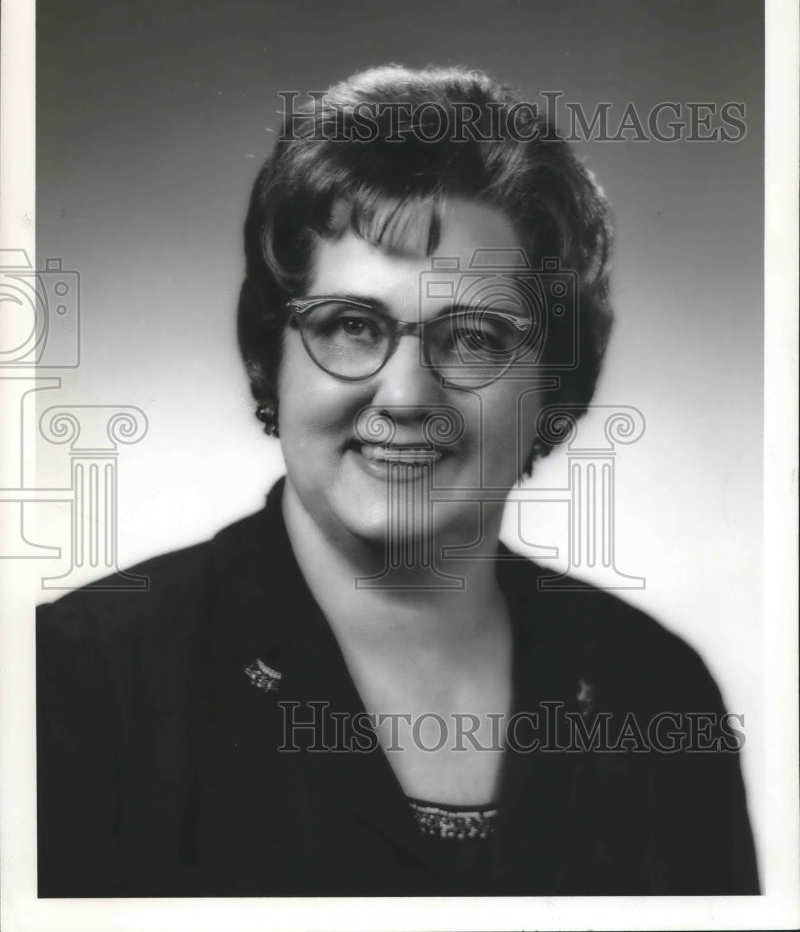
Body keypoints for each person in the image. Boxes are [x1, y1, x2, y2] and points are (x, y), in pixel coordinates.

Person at [36, 65, 759, 897]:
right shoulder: (74, 683)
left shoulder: (658, 691)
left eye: (476, 337)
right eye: (351, 326)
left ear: (552, 387)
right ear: (269, 355)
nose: (409, 395)